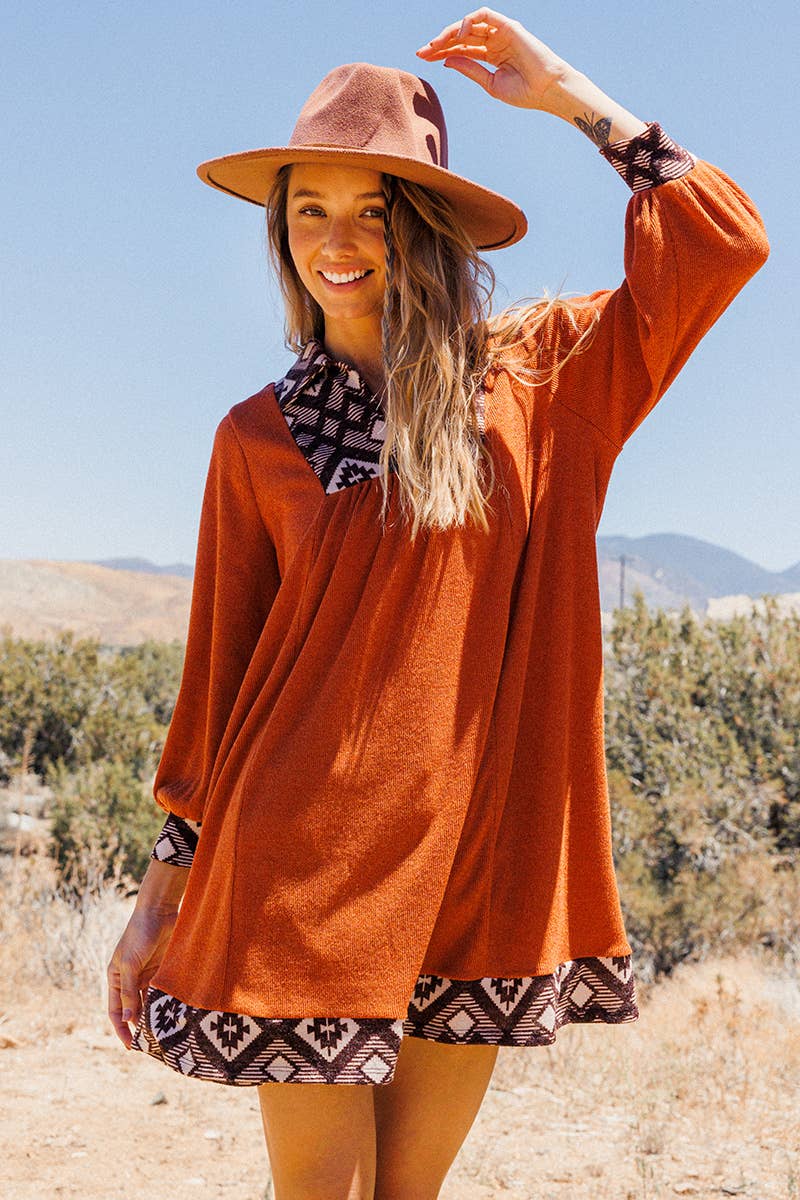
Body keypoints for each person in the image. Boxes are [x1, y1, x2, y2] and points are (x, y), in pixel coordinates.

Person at [106, 9, 769, 1199]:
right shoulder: (254, 438)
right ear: (279, 232)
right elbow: (218, 682)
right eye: (308, 210)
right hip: (299, 869)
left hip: (476, 866)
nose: (336, 241)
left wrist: (565, 93)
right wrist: (161, 891)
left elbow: (720, 246)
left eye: (373, 210)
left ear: (426, 226)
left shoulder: (542, 382)